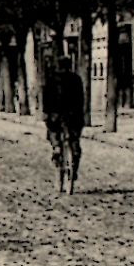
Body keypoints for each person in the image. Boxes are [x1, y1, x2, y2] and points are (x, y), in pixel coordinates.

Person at [42, 55, 86, 194]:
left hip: (57, 117)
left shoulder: (51, 79)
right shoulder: (76, 79)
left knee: (54, 137)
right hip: (72, 118)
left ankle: (56, 151)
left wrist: (46, 113)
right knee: (76, 147)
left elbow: (46, 98)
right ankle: (74, 170)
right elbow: (80, 100)